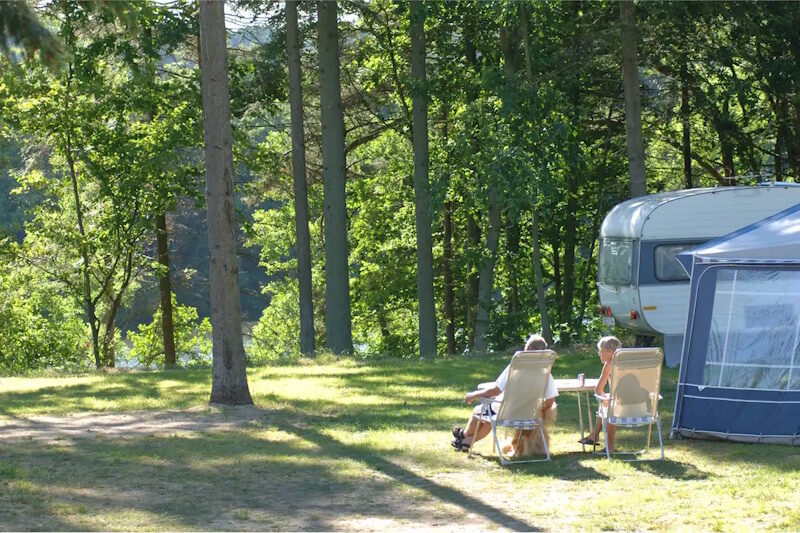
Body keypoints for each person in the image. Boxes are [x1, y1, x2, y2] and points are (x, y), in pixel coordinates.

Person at [451, 334, 558, 452]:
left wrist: (475, 394)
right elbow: (550, 402)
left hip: (506, 411)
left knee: (480, 412)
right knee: (487, 416)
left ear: (526, 351)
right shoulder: (546, 374)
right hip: (530, 415)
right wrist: (536, 409)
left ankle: (465, 437)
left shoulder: (516, 367)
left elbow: (496, 390)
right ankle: (464, 440)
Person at [578, 335, 622, 452]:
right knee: (608, 401)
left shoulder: (610, 364)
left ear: (610, 351)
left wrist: (604, 397)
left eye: (601, 351)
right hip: (641, 406)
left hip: (620, 408)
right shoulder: (631, 362)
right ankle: (594, 435)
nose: (599, 354)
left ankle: (610, 446)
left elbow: (598, 390)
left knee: (607, 405)